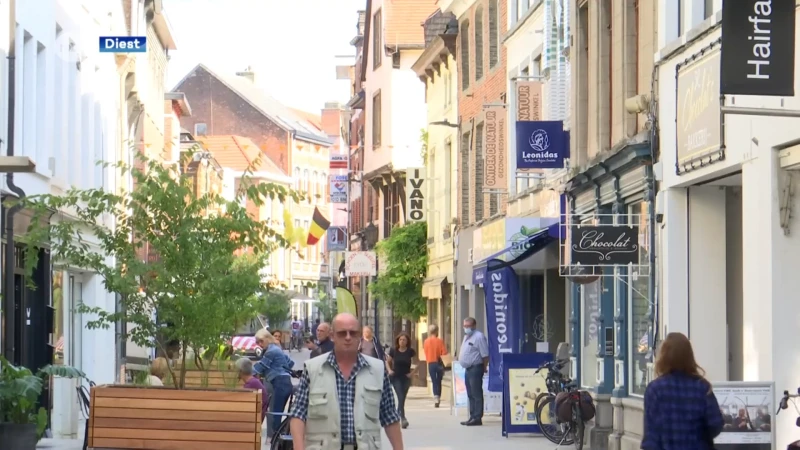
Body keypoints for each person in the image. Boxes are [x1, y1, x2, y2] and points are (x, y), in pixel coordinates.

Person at [289, 313, 404, 450]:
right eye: (342, 333)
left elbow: (390, 416)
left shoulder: (377, 370)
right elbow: (298, 414)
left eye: (353, 333)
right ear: (332, 336)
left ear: (360, 336)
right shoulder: (313, 368)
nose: (348, 337)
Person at [641, 332, 724, 450]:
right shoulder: (702, 387)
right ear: (689, 356)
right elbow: (715, 424)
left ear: (663, 357)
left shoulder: (655, 390)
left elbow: (651, 439)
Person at [253, 329, 296, 437]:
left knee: (276, 415)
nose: (259, 344)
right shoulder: (276, 349)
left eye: (261, 341)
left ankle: (277, 440)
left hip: (280, 383)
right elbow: (290, 363)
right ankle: (280, 437)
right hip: (286, 382)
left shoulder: (271, 351)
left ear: (268, 339)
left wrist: (245, 372)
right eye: (258, 342)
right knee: (278, 412)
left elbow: (261, 367)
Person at [458, 317, 488, 426]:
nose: (466, 328)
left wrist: (484, 368)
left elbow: (485, 355)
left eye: (468, 326)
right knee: (470, 393)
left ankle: (477, 417)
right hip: (468, 368)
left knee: (476, 393)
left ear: (474, 326)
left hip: (476, 367)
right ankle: (472, 416)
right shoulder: (466, 337)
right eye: (464, 326)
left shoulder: (479, 337)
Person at [387, 332, 416, 429]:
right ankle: (403, 419)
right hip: (396, 377)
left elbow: (419, 362)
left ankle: (395, 415)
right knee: (400, 396)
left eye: (404, 340)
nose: (402, 341)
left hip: (406, 378)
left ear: (407, 341)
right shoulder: (393, 350)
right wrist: (389, 370)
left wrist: (412, 373)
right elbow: (387, 361)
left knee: (402, 398)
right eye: (400, 339)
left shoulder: (410, 351)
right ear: (398, 341)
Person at [236, 357, 268, 424]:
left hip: (252, 419)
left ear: (240, 371)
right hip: (256, 416)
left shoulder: (250, 385)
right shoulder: (254, 381)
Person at [423, 323, 448, 408]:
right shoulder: (439, 341)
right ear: (437, 331)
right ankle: (438, 396)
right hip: (439, 363)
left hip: (431, 363)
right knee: (439, 381)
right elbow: (444, 352)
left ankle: (436, 397)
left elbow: (425, 352)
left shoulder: (426, 341)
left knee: (434, 381)